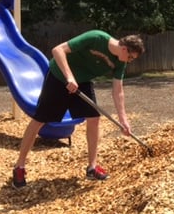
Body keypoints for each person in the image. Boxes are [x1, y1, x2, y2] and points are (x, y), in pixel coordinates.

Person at [12, 31, 145, 188]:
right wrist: (69, 77)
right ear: (124, 49)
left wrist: (123, 120)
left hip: (81, 81)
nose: (129, 62)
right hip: (59, 76)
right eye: (131, 58)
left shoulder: (119, 62)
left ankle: (92, 167)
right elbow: (57, 50)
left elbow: (118, 91)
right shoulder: (96, 38)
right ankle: (19, 167)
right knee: (40, 120)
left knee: (94, 119)